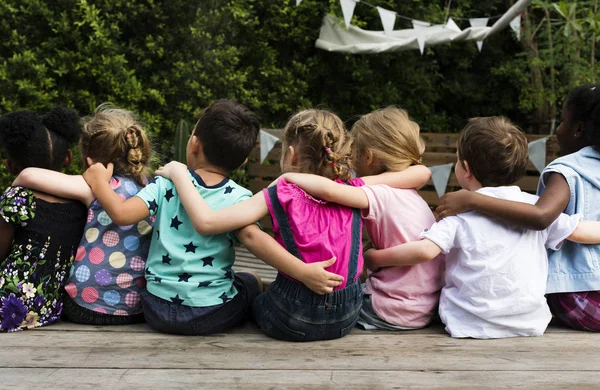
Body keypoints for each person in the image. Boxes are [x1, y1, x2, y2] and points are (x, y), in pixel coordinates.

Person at [83, 100, 341, 335]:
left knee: (244, 278)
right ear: (242, 163)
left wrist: (99, 182)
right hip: (211, 313)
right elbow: (252, 237)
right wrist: (303, 272)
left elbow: (121, 214)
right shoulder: (240, 198)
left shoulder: (165, 182)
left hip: (155, 308)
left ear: (194, 144)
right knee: (249, 280)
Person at [366, 116, 600, 339]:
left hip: (467, 322)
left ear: (465, 168)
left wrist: (375, 257)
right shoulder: (531, 207)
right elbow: (580, 232)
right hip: (529, 322)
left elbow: (424, 251)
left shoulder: (459, 212)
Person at [155, 109, 371, 341]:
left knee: (254, 299)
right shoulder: (355, 190)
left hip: (292, 317)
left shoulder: (283, 191)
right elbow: (416, 174)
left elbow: (208, 222)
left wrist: (179, 174)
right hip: (346, 317)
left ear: (291, 155)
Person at [435, 86, 600, 331]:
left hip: (578, 295)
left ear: (578, 130)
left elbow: (541, 217)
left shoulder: (566, 170)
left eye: (563, 121)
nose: (557, 129)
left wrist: (471, 200)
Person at [277, 107, 442, 330]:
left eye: (355, 154)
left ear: (369, 157)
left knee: (330, 306)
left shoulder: (378, 194)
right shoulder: (411, 193)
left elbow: (330, 192)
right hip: (423, 308)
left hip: (387, 309)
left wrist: (289, 178)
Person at [13, 105, 154, 324]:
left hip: (85, 307)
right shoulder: (152, 189)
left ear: (90, 159)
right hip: (137, 309)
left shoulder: (94, 187)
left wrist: (13, 190)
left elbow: (28, 175)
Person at [0, 107, 86, 331]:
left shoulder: (17, 198)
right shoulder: (82, 202)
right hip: (48, 307)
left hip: (7, 303)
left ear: (10, 166)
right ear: (68, 158)